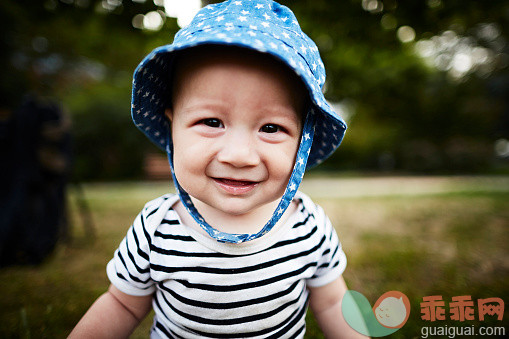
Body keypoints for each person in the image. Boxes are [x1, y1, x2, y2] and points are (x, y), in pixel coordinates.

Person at [70, 1, 367, 338]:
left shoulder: (308, 227)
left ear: (303, 139)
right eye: (211, 122)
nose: (239, 156)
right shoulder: (156, 229)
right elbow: (122, 304)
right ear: (172, 128)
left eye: (271, 128)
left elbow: (331, 303)